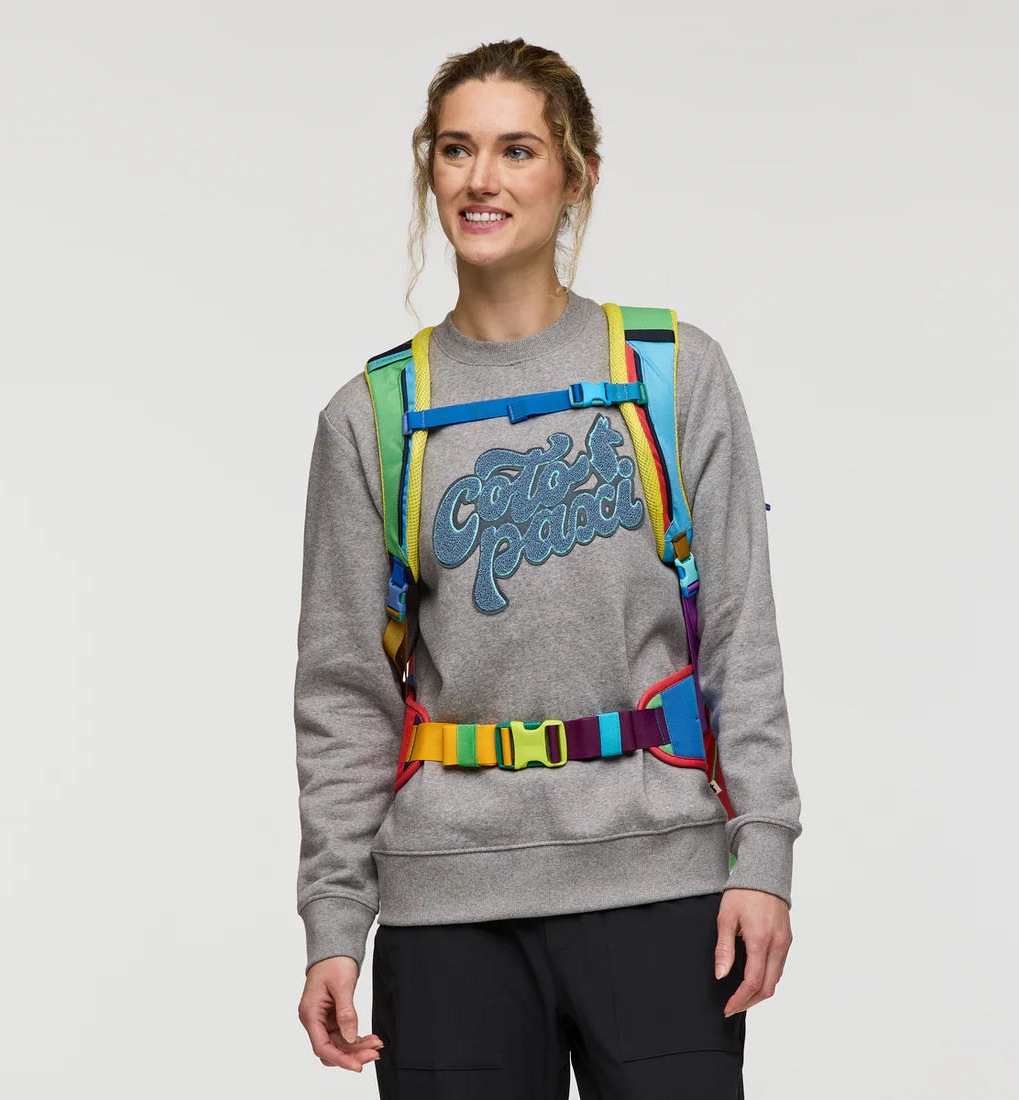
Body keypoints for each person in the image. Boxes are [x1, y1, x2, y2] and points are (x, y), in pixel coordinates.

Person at [293, 37, 803, 1099]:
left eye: (517, 149)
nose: (480, 178)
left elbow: (740, 635)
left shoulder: (670, 372)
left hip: (660, 882)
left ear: (577, 175)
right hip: (449, 905)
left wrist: (762, 851)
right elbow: (342, 693)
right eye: (456, 149)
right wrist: (334, 921)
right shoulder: (372, 417)